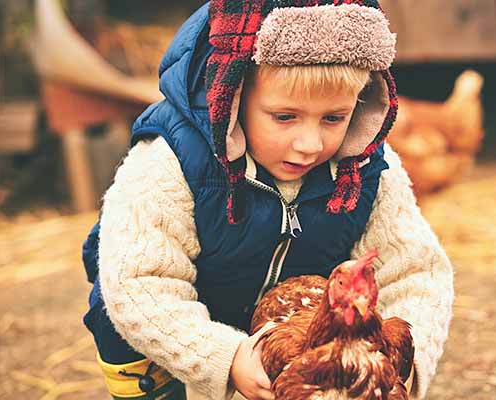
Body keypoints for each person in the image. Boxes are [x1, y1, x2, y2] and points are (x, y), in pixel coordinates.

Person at [82, 1, 454, 399]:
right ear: (233, 97)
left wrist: (397, 366)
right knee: (114, 312)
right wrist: (223, 358)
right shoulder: (170, 161)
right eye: (284, 117)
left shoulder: (368, 168)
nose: (309, 145)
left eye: (334, 118)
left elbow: (416, 274)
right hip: (187, 326)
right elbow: (139, 284)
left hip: (305, 334)